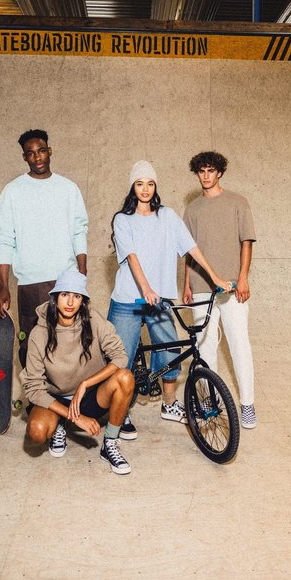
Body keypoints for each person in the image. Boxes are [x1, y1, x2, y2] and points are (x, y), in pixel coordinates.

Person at [108, 160, 232, 439]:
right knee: (121, 358)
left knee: (171, 351)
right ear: (132, 187)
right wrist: (146, 289)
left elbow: (192, 248)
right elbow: (132, 258)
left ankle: (169, 403)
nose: (145, 189)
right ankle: (120, 412)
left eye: (150, 184)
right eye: (139, 184)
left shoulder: (167, 216)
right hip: (129, 299)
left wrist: (215, 277)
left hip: (158, 300)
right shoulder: (123, 219)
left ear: (156, 186)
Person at [0, 129, 88, 366]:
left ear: (49, 151)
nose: (37, 157)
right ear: (24, 157)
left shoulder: (68, 188)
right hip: (30, 284)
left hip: (65, 282)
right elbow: (4, 240)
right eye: (31, 153)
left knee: (70, 347)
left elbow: (79, 231)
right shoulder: (13, 191)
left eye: (41, 151)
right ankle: (35, 391)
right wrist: (3, 287)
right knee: (32, 350)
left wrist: (82, 274)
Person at [24, 270, 135, 475]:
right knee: (36, 432)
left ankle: (110, 443)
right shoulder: (39, 333)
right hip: (56, 398)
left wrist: (86, 384)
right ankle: (60, 422)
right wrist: (74, 417)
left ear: (83, 300)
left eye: (76, 296)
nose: (70, 302)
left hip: (91, 396)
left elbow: (120, 356)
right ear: (55, 297)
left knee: (125, 377)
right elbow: (33, 389)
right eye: (65, 294)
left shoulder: (93, 320)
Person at [182, 151, 257, 429]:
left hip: (233, 286)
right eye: (201, 171)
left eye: (211, 170)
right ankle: (208, 402)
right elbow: (188, 251)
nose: (206, 175)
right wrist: (186, 284)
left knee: (240, 344)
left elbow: (246, 242)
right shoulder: (192, 210)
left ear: (220, 173)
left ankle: (247, 404)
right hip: (201, 287)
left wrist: (243, 277)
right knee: (204, 347)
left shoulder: (238, 202)